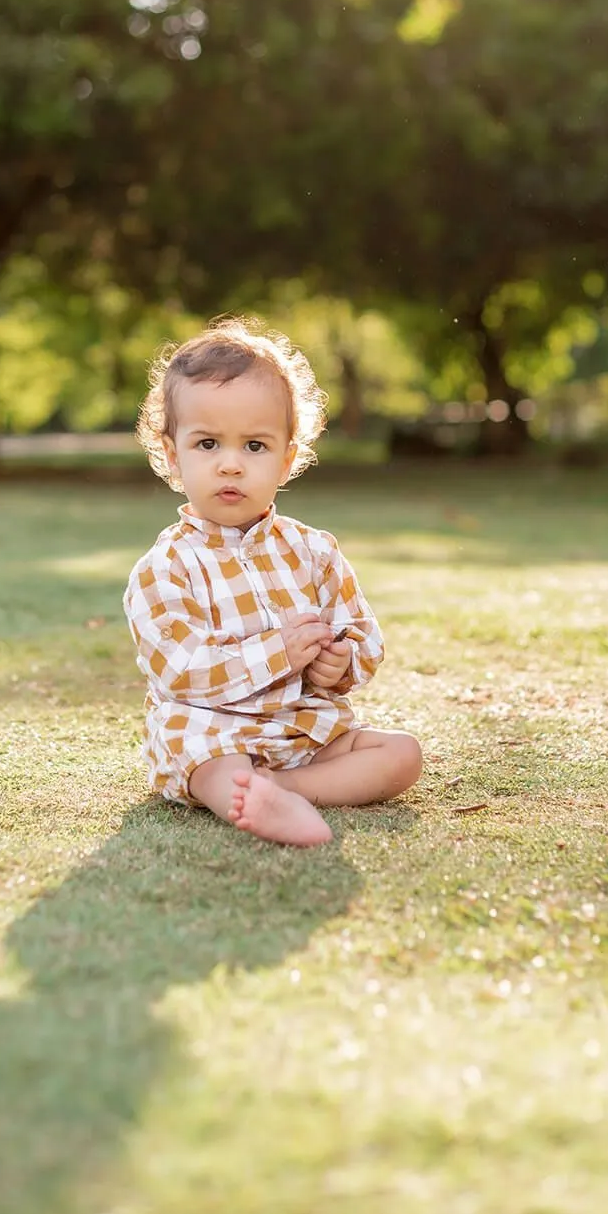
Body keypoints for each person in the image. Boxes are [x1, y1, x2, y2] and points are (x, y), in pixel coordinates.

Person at [123, 317, 423, 846]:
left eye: (255, 447)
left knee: (403, 755)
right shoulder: (165, 566)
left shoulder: (315, 551)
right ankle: (246, 790)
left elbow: (363, 636)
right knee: (205, 757)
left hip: (303, 732)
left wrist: (339, 662)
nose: (231, 465)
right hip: (214, 733)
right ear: (173, 455)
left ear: (287, 459)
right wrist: (277, 654)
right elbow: (180, 672)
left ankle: (283, 788)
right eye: (208, 444)